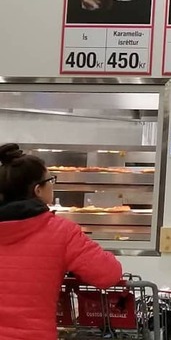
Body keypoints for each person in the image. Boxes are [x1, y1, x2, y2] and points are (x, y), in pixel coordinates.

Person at [0, 143, 122, 340]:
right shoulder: (60, 232)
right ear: (38, 190)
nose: (53, 184)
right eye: (50, 180)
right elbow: (108, 274)